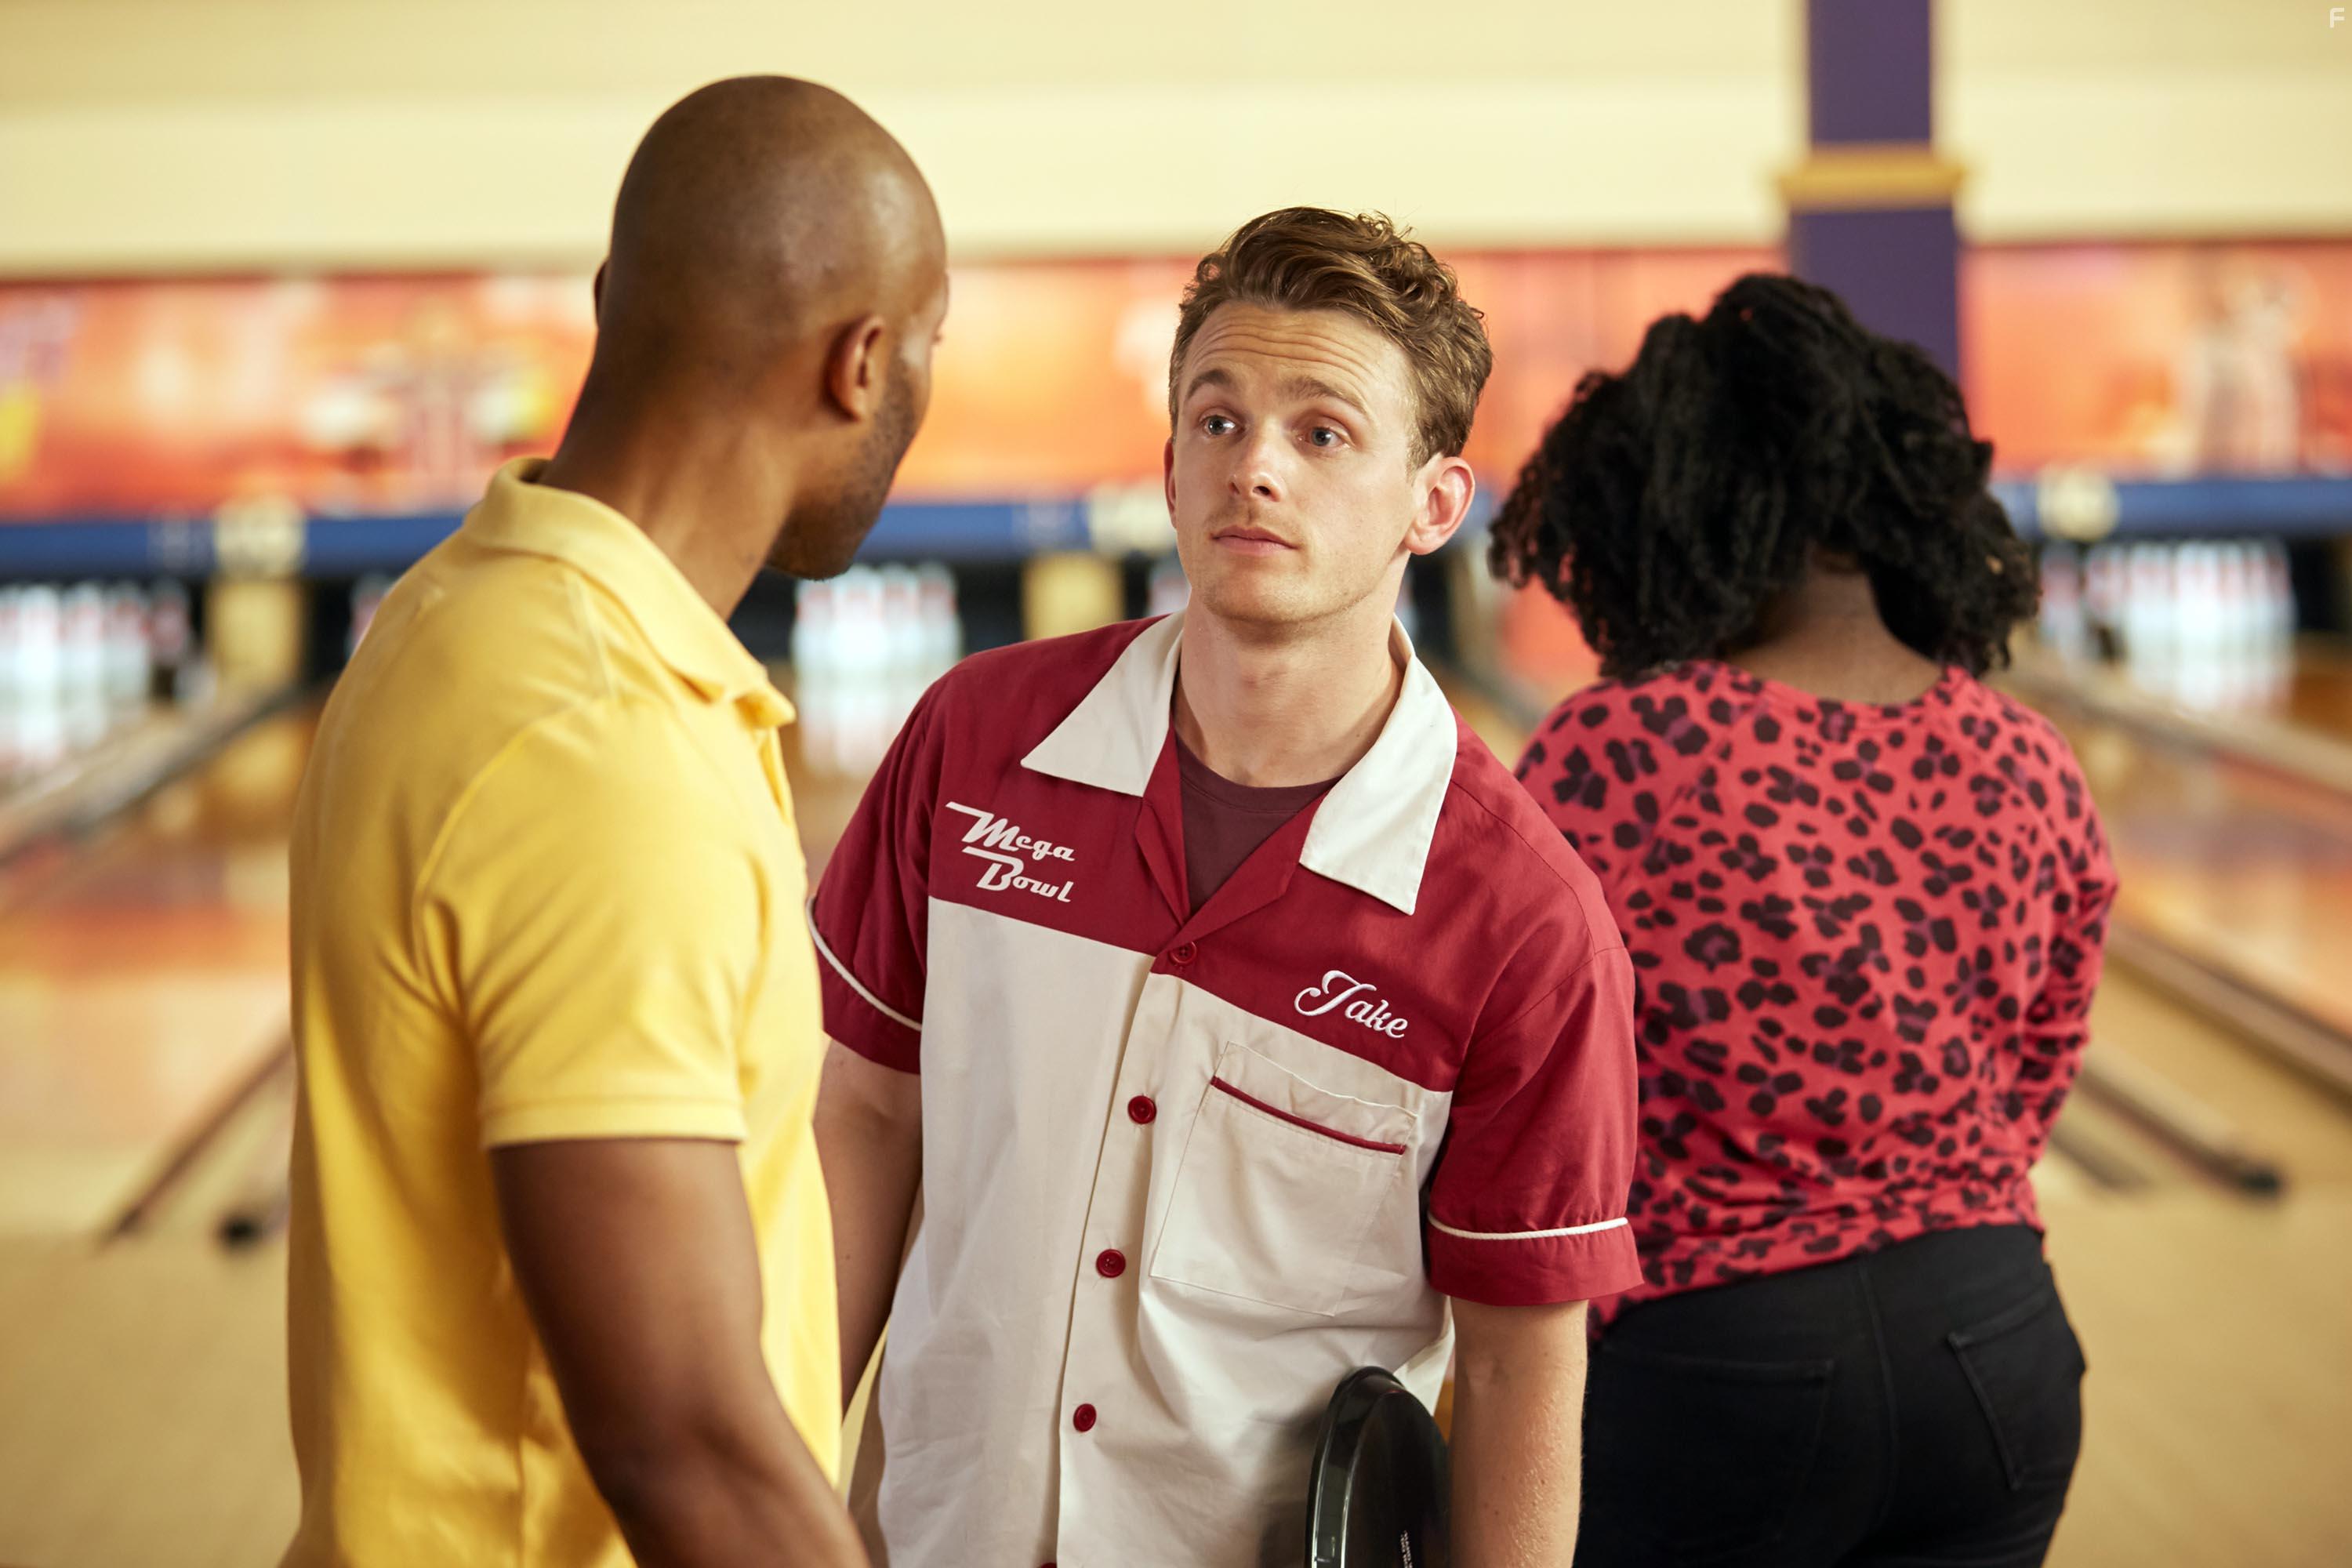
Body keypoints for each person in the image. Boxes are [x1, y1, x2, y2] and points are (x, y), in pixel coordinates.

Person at [810, 207, 1642, 1567]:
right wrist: (773, 1476)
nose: (1255, 465)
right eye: (1218, 419)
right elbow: (864, 1118)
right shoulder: (973, 739)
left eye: (1323, 433)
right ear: (1169, 463)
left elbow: (1515, 1365)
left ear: (1435, 504)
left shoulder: (1522, 923)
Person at [281, 76, 947, 1568]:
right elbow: (681, 1441)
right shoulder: (599, 745)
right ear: (862, 364)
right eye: (931, 348)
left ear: (610, 303)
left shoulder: (456, 616)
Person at [1490, 272, 2116, 1568]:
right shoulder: (2029, 756)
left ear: (1670, 507)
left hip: (1723, 1363)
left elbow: (1522, 1071)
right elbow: (2042, 1064)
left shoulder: (1621, 749)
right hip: (1998, 1343)